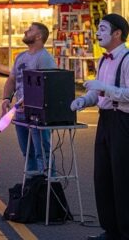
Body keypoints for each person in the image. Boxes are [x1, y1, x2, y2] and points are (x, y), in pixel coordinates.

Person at [70, 14, 129, 240]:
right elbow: (97, 92)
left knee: (122, 177)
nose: (98, 33)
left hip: (123, 121)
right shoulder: (103, 60)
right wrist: (84, 100)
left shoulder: (127, 59)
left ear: (117, 33)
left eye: (103, 29)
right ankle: (110, 230)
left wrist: (104, 88)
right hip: (105, 119)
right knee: (103, 176)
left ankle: (125, 232)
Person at [1, 23, 56, 174]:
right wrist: (6, 98)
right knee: (27, 152)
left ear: (39, 36)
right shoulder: (21, 56)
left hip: (37, 114)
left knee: (41, 152)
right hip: (20, 113)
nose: (26, 31)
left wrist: (29, 101)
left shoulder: (44, 58)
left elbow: (48, 86)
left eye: (30, 30)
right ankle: (32, 183)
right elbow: (12, 79)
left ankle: (47, 183)